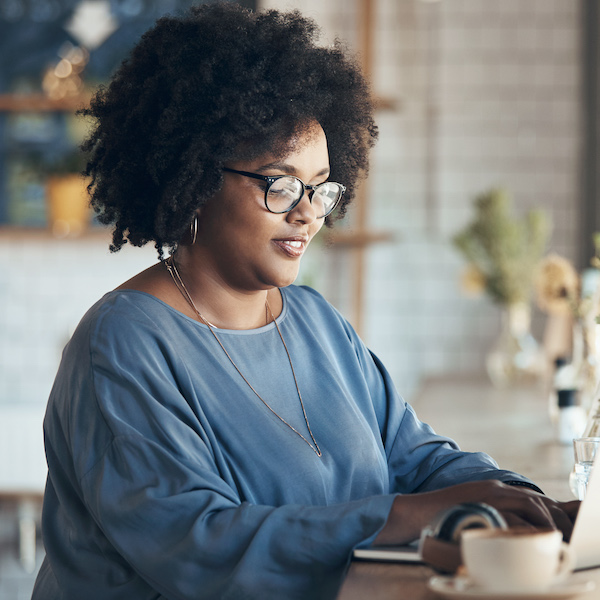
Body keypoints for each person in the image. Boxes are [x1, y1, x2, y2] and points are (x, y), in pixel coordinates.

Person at [32, 3, 579, 599]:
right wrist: (407, 515)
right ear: (193, 180)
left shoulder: (317, 321)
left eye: (321, 187)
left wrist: (532, 504)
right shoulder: (122, 343)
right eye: (280, 182)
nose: (308, 211)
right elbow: (198, 545)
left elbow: (416, 458)